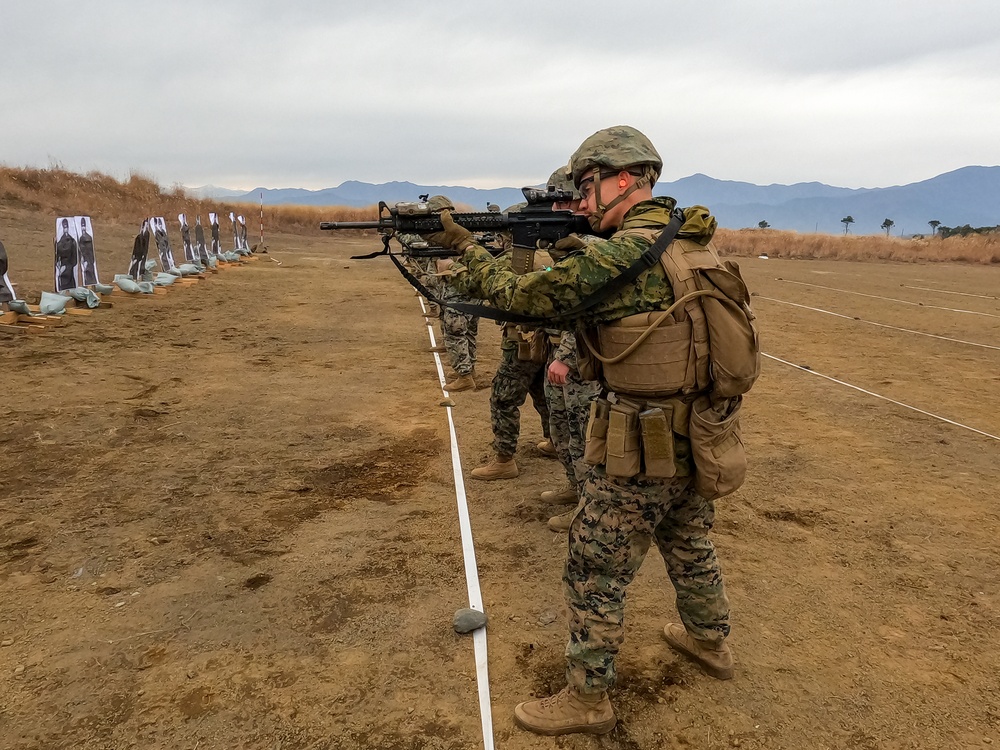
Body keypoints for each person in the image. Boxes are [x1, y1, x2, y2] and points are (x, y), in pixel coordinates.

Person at [424, 125, 743, 736]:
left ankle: (587, 698)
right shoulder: (694, 241)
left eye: (588, 185)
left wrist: (464, 247)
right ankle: (709, 641)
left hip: (642, 441)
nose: (581, 199)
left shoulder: (621, 256)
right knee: (689, 540)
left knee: (593, 568)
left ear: (623, 181)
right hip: (701, 434)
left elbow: (521, 295)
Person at [536, 167, 602, 528]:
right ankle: (575, 489)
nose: (560, 207)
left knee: (583, 439)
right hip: (559, 350)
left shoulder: (604, 242)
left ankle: (588, 510)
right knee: (561, 433)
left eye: (566, 200)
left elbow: (592, 309)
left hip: (583, 360)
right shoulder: (572, 239)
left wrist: (565, 355)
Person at [54, 217, 79, 291]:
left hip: (69, 267)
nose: (65, 229)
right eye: (64, 227)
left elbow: (75, 259)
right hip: (61, 266)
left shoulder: (72, 241)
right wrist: (59, 265)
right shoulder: (59, 241)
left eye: (66, 227)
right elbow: (57, 256)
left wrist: (67, 267)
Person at [77, 217, 98, 286]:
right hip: (84, 259)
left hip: (88, 259)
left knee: (90, 273)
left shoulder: (88, 237)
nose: (83, 228)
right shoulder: (80, 237)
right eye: (82, 226)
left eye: (84, 226)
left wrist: (87, 260)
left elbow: (89, 251)